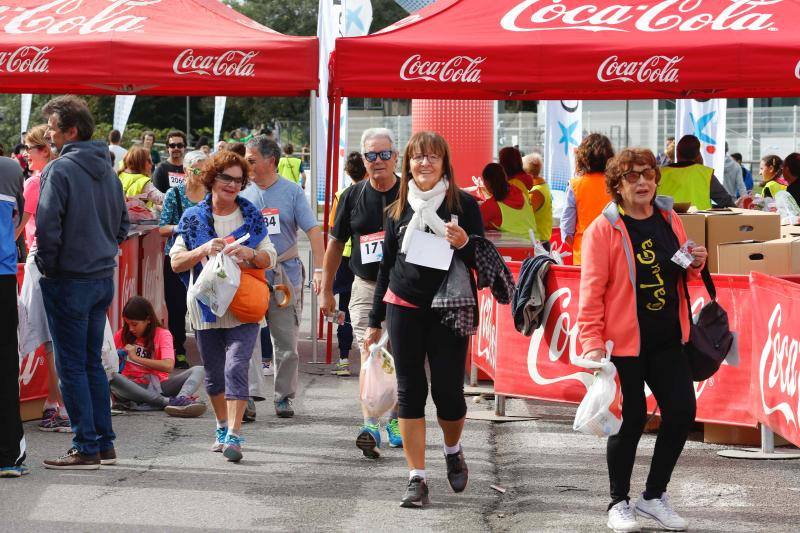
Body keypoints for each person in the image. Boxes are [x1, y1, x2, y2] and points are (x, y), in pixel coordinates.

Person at [577, 148, 708, 533]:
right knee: (630, 420)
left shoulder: (669, 218)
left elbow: (681, 271)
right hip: (624, 345)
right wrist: (591, 341)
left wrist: (697, 262)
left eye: (648, 174)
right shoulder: (604, 229)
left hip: (668, 339)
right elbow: (591, 292)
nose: (642, 182)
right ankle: (618, 502)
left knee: (681, 412)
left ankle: (654, 496)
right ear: (617, 185)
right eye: (632, 176)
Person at [365, 131, 485, 507]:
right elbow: (386, 267)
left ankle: (452, 449)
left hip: (450, 308)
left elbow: (482, 261)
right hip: (404, 306)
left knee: (448, 393)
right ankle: (416, 477)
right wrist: (374, 320)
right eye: (418, 157)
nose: (425, 163)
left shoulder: (464, 204)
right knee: (409, 391)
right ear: (408, 163)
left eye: (433, 157)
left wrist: (464, 243)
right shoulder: (397, 209)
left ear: (444, 163)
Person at [37, 95, 130, 469]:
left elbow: (47, 228)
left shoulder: (59, 170)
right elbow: (123, 225)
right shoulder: (108, 171)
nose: (48, 134)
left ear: (71, 131)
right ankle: (102, 444)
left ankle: (87, 446)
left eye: (52, 128)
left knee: (73, 366)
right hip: (100, 277)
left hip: (71, 279)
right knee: (90, 363)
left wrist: (50, 267)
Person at [170, 150, 276, 462]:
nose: (232, 185)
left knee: (236, 366)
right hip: (206, 307)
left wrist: (250, 254)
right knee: (215, 374)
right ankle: (221, 425)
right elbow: (175, 262)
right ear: (211, 178)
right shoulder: (192, 217)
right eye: (226, 178)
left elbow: (269, 255)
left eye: (238, 180)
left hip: (243, 305)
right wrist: (203, 248)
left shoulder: (251, 216)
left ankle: (234, 433)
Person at [322, 132, 403, 457]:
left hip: (403, 289)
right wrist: (326, 290)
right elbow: (335, 244)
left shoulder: (410, 193)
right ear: (363, 160)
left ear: (395, 157)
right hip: (366, 285)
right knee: (370, 353)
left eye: (384, 154)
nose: (378, 161)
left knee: (400, 356)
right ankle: (370, 423)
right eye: (371, 156)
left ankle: (395, 419)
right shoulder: (351, 196)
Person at [242, 135, 325, 418]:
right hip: (250, 276)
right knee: (247, 338)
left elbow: (314, 231)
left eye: (251, 160)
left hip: (284, 277)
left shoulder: (292, 192)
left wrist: (319, 270)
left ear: (271, 161)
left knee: (286, 341)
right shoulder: (242, 192)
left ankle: (284, 397)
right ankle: (248, 395)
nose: (247, 165)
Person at [14, 125, 70, 433]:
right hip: (66, 262)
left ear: (44, 150)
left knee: (49, 339)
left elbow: (15, 229)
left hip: (43, 262)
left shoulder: (37, 181)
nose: (25, 154)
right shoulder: (64, 175)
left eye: (29, 148)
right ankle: (58, 403)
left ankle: (56, 405)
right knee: (60, 337)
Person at [110, 296, 206, 416]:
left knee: (199, 369)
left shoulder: (162, 334)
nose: (130, 329)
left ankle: (181, 398)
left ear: (148, 320)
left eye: (134, 324)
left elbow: (168, 366)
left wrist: (136, 358)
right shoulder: (121, 335)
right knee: (112, 377)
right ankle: (168, 402)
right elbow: (106, 364)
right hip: (130, 388)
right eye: (127, 324)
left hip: (158, 387)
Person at [159, 150, 209, 370]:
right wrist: (181, 228)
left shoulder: (210, 194)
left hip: (204, 258)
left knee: (203, 304)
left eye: (205, 170)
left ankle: (207, 349)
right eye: (197, 170)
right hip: (177, 259)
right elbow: (162, 228)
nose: (202, 175)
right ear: (187, 171)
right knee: (177, 307)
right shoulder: (174, 194)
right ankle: (178, 350)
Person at [326, 151, 367, 378]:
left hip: (344, 258)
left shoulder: (340, 194)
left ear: (347, 172)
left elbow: (334, 230)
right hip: (366, 259)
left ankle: (343, 359)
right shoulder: (373, 192)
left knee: (344, 308)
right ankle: (371, 361)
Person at [0, 149, 27, 477]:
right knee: (5, 362)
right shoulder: (10, 168)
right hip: (3, 274)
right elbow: (18, 218)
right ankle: (7, 454)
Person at [560, 133, 615, 265]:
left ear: (582, 158)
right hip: (614, 251)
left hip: (584, 253)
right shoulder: (617, 184)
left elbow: (567, 228)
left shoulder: (575, 185)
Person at [658, 135, 735, 210]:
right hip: (699, 218)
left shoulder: (660, 174)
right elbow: (727, 203)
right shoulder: (705, 174)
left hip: (668, 218)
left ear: (677, 153)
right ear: (698, 154)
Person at [478, 162, 537, 238]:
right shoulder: (519, 192)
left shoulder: (491, 206)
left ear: (487, 183)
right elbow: (516, 221)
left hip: (516, 244)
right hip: (534, 242)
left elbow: (473, 223)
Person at [522, 152, 553, 245]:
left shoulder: (535, 193)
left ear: (529, 175)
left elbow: (523, 215)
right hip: (541, 239)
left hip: (538, 242)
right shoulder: (543, 186)